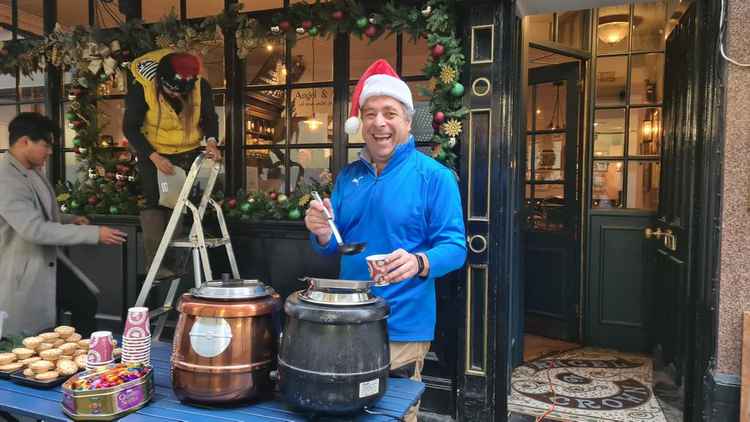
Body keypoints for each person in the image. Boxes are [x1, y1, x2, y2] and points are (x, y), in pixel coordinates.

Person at [304, 60, 467, 421]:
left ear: (407, 122)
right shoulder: (348, 177)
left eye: (390, 113)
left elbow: (456, 248)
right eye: (370, 113)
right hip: (344, 317)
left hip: (403, 324)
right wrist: (321, 232)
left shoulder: (435, 177)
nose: (380, 123)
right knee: (342, 408)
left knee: (393, 413)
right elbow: (338, 244)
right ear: (360, 123)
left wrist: (419, 262)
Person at [0, 112, 127, 337]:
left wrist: (70, 219)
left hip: (45, 262)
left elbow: (39, 214)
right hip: (22, 269)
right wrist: (94, 233)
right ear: (24, 141)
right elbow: (34, 229)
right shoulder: (6, 178)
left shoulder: (29, 171)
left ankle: (83, 360)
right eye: (46, 145)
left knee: (84, 302)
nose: (50, 152)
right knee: (29, 336)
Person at [123, 49, 221, 279]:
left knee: (182, 202)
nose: (177, 96)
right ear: (161, 81)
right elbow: (130, 128)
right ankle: (155, 264)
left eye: (181, 93)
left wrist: (212, 142)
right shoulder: (142, 87)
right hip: (153, 149)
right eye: (171, 90)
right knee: (156, 202)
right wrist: (154, 157)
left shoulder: (200, 87)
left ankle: (176, 262)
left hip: (187, 148)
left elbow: (209, 117)